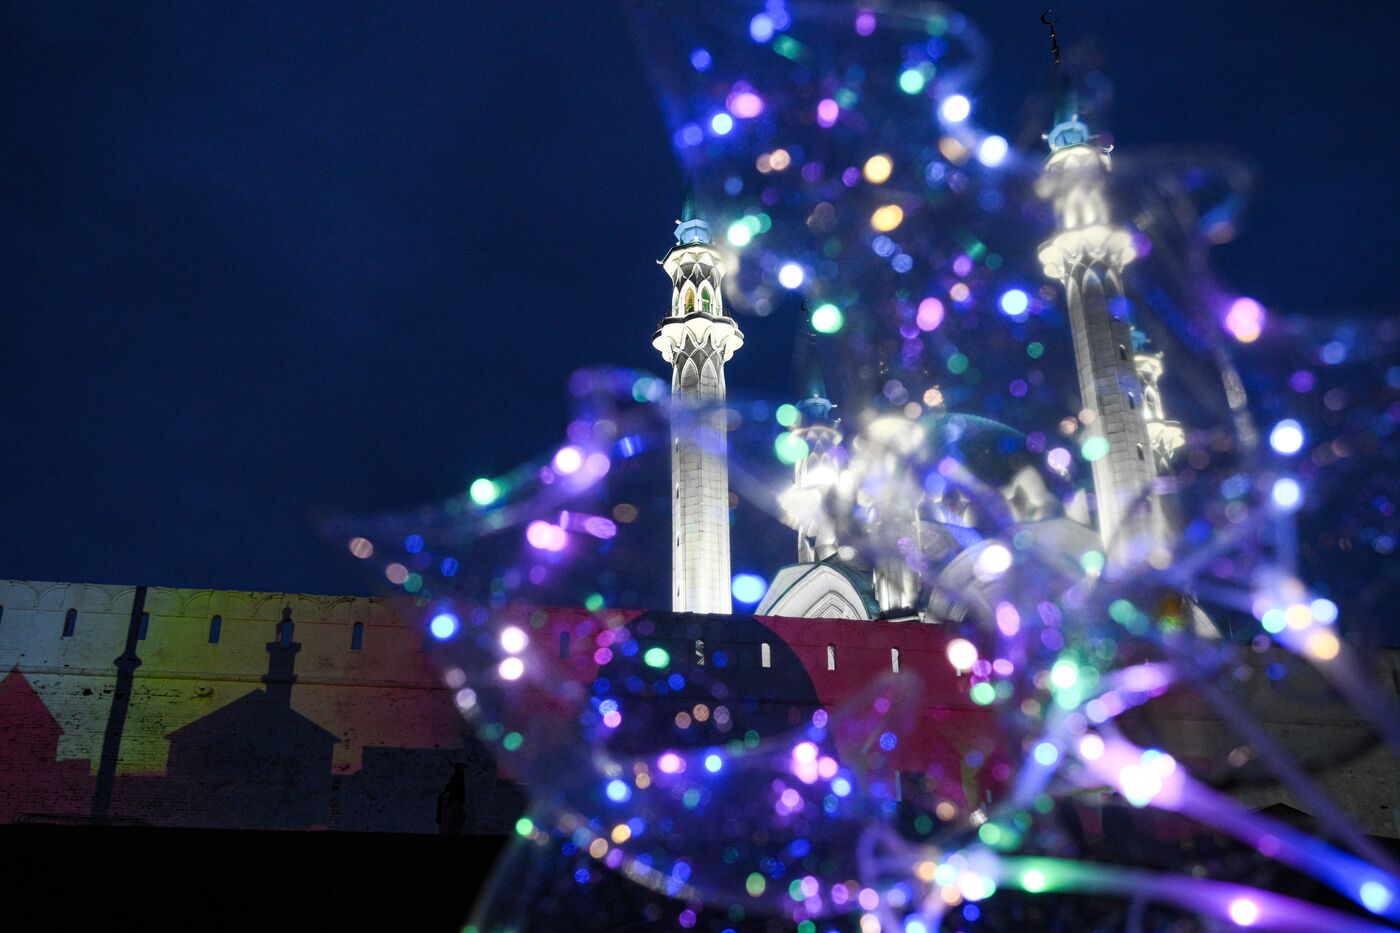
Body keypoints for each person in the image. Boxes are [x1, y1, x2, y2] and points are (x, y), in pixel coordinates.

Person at [436, 763, 467, 834]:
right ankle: (451, 833)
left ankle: (454, 832)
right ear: (459, 768)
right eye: (462, 767)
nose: (463, 769)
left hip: (457, 801)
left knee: (461, 817)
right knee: (452, 818)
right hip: (455, 801)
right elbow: (455, 790)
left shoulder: (458, 777)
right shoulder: (457, 777)